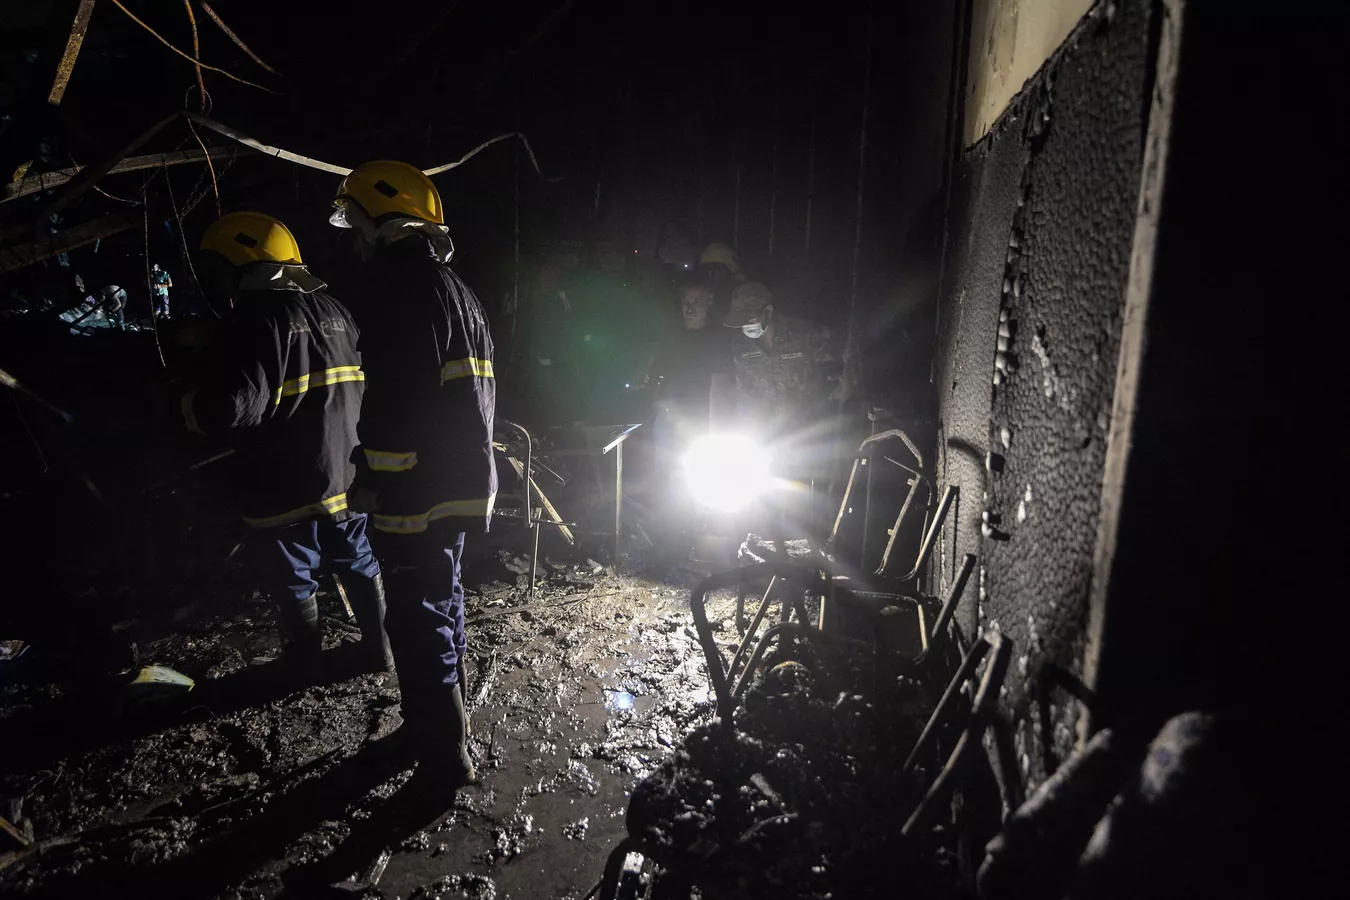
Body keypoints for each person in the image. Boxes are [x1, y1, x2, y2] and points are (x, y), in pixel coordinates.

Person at [330, 160, 496, 794]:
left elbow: (399, 401)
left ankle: (442, 757)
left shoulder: (395, 289)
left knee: (415, 615)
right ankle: (432, 727)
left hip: (415, 490)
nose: (351, 236)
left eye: (355, 221)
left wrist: (375, 477)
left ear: (383, 222)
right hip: (456, 484)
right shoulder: (456, 289)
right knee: (442, 601)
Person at [181, 212, 392, 678]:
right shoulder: (336, 310)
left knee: (292, 573)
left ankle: (304, 662)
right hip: (345, 471)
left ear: (241, 265)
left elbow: (233, 407)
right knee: (357, 560)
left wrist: (185, 405)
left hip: (284, 482)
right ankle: (381, 651)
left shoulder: (255, 320)